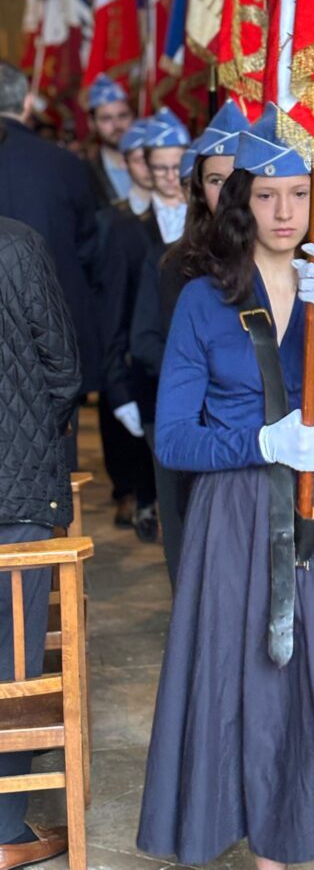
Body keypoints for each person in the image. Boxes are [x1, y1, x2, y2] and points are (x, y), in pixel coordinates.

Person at [137, 103, 314, 868]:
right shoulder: (203, 298)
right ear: (240, 200)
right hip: (236, 514)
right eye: (266, 194)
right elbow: (173, 437)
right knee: (254, 687)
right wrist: (259, 439)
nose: (285, 211)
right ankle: (270, 843)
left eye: (300, 193)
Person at [131, 99, 248, 584]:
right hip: (191, 428)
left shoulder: (289, 258)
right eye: (215, 180)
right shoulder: (175, 264)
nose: (228, 191)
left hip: (249, 436)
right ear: (199, 188)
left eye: (236, 177)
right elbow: (146, 343)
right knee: (192, 561)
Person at [0, 217, 81, 869]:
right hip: (15, 487)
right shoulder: (17, 245)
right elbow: (63, 368)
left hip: (16, 480)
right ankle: (3, 824)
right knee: (13, 654)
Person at [0, 61, 101, 469]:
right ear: (26, 102)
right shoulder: (66, 165)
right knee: (57, 466)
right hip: (52, 343)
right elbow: (89, 248)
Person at [98, 108, 190, 542]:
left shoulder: (205, 223)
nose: (171, 177)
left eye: (178, 166)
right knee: (163, 494)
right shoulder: (125, 228)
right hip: (148, 375)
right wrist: (117, 389)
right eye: (161, 167)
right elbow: (113, 312)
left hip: (195, 374)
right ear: (147, 168)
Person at [87, 74, 135, 205]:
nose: (117, 125)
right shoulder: (85, 172)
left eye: (123, 116)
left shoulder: (153, 166)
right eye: (106, 118)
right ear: (92, 123)